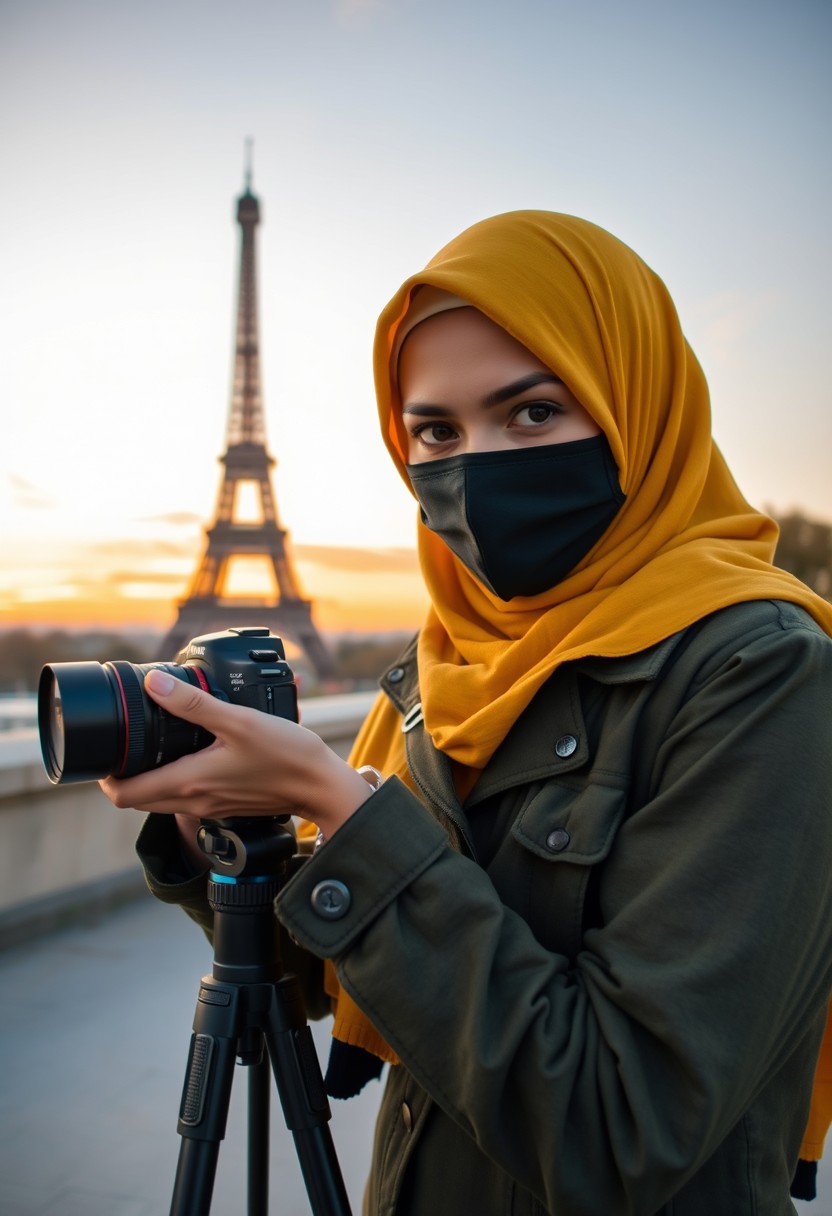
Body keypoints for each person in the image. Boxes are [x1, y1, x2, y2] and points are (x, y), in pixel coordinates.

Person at [101, 211, 832, 1215]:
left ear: (636, 405)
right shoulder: (444, 662)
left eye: (531, 412)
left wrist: (348, 814)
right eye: (434, 431)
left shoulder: (762, 675)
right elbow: (336, 974)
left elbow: (624, 1127)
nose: (473, 465)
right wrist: (221, 834)